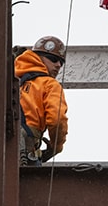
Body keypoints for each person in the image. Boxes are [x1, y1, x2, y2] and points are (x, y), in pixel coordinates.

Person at [15, 35, 69, 166]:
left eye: (61, 62)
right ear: (37, 57)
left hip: (0, 149)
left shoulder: (12, 81)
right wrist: (56, 146)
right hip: (26, 150)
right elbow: (57, 119)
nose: (58, 65)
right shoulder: (50, 84)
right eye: (53, 59)